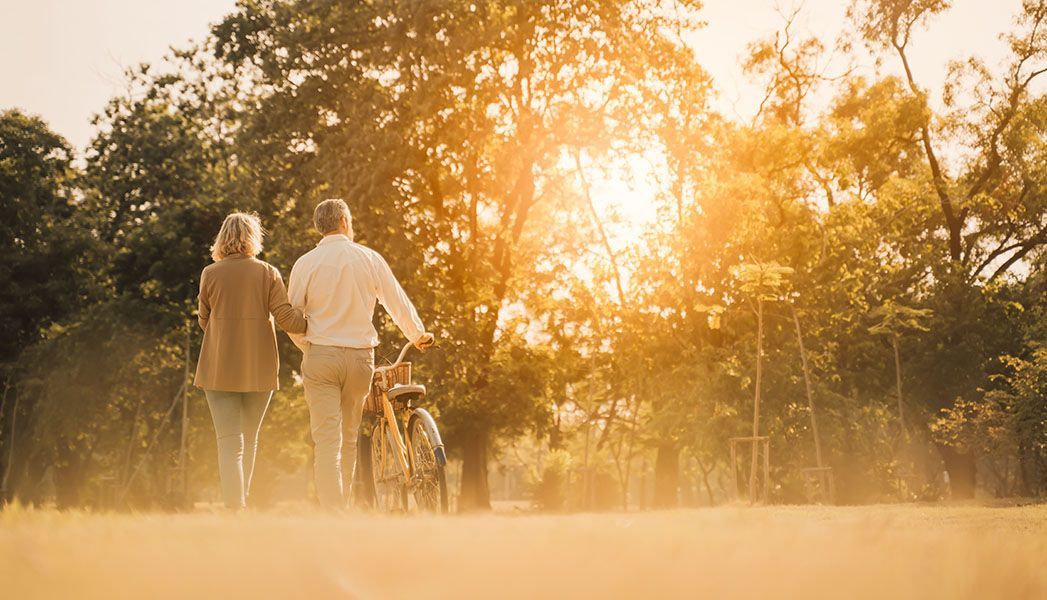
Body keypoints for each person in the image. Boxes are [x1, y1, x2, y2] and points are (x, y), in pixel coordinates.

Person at [288, 198, 434, 510]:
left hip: (321, 356)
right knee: (350, 437)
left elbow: (292, 317)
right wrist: (417, 334)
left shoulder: (305, 264)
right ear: (344, 222)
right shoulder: (368, 258)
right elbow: (396, 300)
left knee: (327, 441)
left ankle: (334, 512)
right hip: (359, 359)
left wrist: (309, 346)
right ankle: (344, 507)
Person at [194, 212, 307, 510]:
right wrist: (318, 321)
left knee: (229, 442)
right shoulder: (267, 272)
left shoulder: (210, 273)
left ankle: (236, 507)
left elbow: (203, 320)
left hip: (218, 367)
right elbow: (287, 319)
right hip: (259, 367)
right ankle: (240, 503)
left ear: (222, 238)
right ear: (253, 238)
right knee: (250, 439)